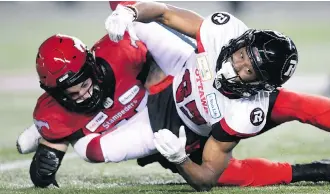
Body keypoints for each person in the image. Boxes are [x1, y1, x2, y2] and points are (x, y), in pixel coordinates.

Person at [105, 2, 330, 191]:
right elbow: (163, 12)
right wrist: (130, 12)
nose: (237, 65)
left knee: (297, 106)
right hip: (175, 81)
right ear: (239, 42)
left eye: (249, 71)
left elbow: (206, 179)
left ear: (261, 86)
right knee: (124, 5)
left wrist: (179, 158)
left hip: (192, 133)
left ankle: (312, 171)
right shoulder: (223, 33)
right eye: (241, 54)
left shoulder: (244, 112)